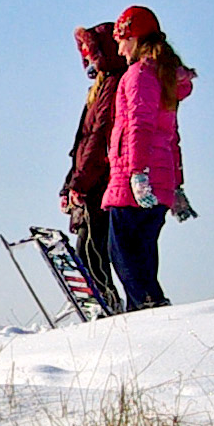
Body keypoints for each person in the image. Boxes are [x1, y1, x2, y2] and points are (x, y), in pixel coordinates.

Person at [100, 5, 195, 311]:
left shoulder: (140, 74)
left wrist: (137, 174)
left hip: (134, 181)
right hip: (160, 179)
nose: (118, 47)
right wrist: (176, 185)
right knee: (142, 254)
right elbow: (172, 135)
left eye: (121, 39)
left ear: (135, 38)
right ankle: (140, 319)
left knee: (122, 253)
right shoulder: (163, 75)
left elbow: (140, 125)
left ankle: (150, 310)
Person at [59, 20, 128, 313]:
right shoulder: (98, 89)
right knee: (88, 249)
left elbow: (99, 139)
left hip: (101, 182)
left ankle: (107, 306)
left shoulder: (112, 86)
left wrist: (80, 183)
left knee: (92, 250)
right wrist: (69, 184)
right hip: (91, 181)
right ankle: (103, 305)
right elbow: (82, 142)